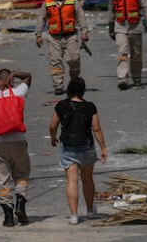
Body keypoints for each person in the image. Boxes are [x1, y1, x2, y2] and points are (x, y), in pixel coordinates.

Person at [49, 77, 108, 224]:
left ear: (69, 89)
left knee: (72, 180)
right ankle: (89, 211)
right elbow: (96, 128)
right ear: (83, 91)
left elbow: (52, 125)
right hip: (86, 147)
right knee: (87, 180)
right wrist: (103, 147)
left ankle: (74, 215)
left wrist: (53, 137)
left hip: (68, 147)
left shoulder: (61, 105)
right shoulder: (90, 107)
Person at [0, 69, 33, 227]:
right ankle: (20, 205)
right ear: (11, 81)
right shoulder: (18, 92)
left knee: (2, 179)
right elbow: (28, 76)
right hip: (18, 140)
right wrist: (15, 74)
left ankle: (8, 217)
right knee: (22, 174)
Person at [36, 0, 89, 95]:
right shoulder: (48, 3)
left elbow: (81, 16)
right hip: (54, 37)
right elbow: (41, 18)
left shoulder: (72, 0)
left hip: (70, 36)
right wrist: (38, 34)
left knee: (74, 59)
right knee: (55, 62)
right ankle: (58, 85)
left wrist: (84, 31)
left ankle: (74, 82)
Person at [107, 0, 147, 90]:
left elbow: (146, 6)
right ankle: (122, 79)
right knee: (122, 51)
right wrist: (111, 26)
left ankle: (137, 77)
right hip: (120, 26)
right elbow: (111, 9)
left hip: (135, 26)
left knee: (136, 54)